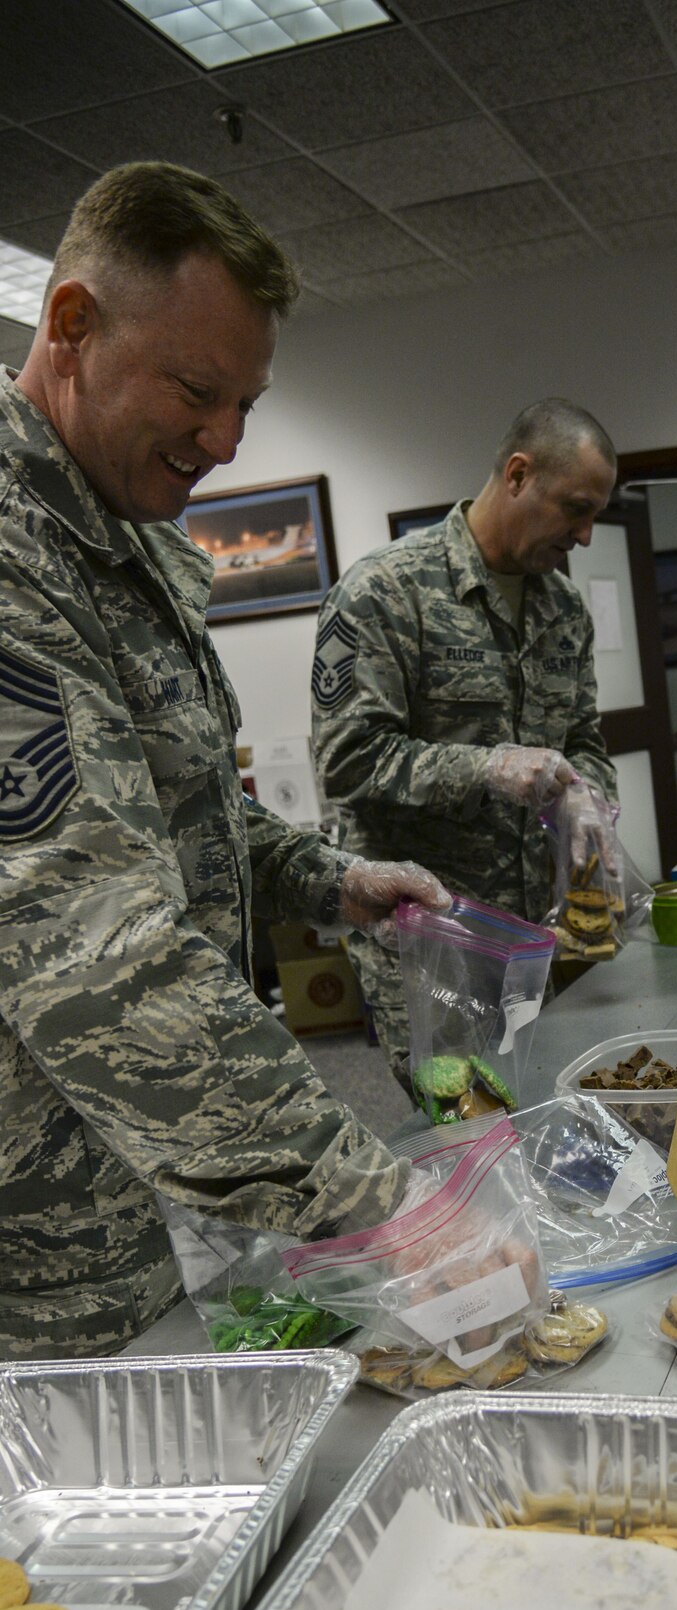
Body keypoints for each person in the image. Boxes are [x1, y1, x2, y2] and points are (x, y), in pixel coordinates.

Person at [0, 161, 454, 1358]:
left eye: (248, 403)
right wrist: (381, 1210)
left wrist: (323, 877)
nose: (224, 439)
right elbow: (94, 946)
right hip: (50, 1249)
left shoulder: (125, 537)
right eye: (200, 391)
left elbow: (177, 807)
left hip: (180, 1185)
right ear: (72, 325)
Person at [311, 398, 619, 1086]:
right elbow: (347, 760)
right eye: (575, 508)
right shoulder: (384, 592)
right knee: (462, 1128)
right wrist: (487, 769)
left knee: (547, 1104)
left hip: (537, 936)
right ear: (517, 475)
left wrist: (590, 797)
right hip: (429, 938)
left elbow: (583, 736)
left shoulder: (563, 609)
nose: (587, 534)